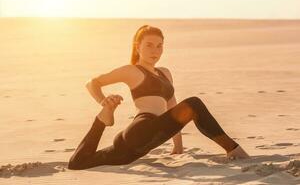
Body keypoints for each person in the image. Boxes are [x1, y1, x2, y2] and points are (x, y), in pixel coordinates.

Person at [68, 25, 250, 170]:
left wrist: (178, 146)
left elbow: (174, 109)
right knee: (194, 103)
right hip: (140, 129)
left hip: (140, 144)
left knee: (79, 163)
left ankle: (101, 120)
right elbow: (92, 83)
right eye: (149, 45)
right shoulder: (132, 70)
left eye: (159, 45)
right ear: (137, 46)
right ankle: (234, 150)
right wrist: (103, 101)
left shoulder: (165, 73)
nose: (155, 50)